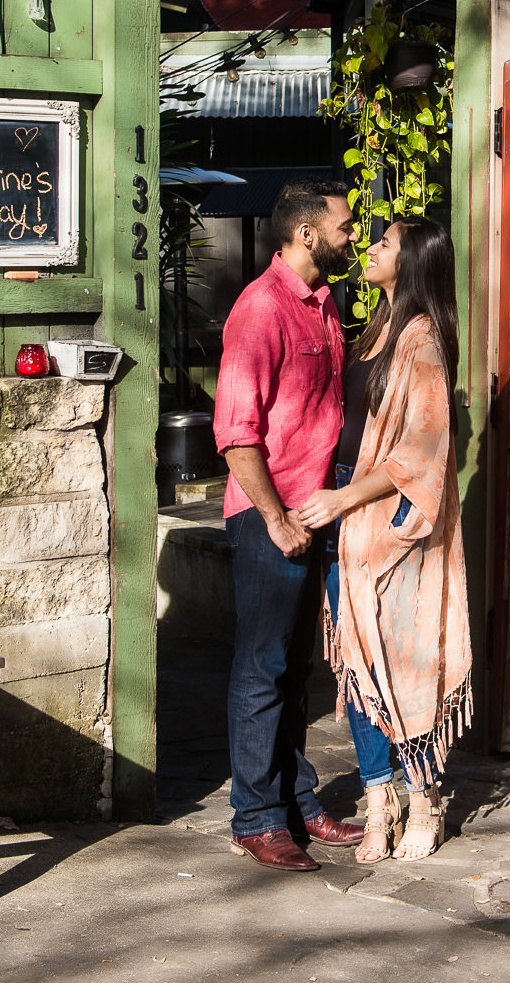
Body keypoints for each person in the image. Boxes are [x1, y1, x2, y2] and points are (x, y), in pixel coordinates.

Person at [297, 218, 471, 864]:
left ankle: (423, 796)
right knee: (359, 657)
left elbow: (420, 452)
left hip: (392, 513)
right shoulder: (374, 327)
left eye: (385, 243)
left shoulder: (422, 340)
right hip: (349, 502)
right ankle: (379, 797)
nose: (370, 248)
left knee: (406, 660)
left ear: (414, 261)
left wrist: (345, 498)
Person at [210, 177, 368, 873]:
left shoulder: (325, 304)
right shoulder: (260, 309)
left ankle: (298, 801)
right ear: (306, 234)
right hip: (271, 516)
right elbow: (235, 432)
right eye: (345, 224)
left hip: (315, 510)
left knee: (294, 669)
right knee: (262, 667)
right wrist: (274, 518)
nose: (354, 234)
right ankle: (256, 815)